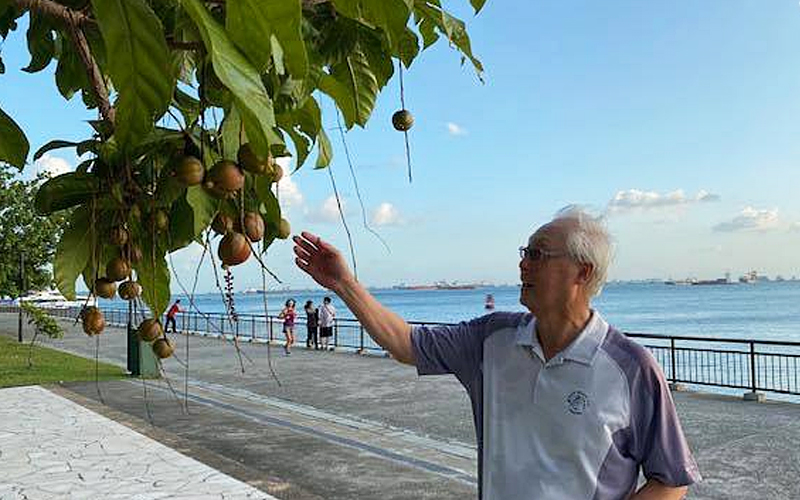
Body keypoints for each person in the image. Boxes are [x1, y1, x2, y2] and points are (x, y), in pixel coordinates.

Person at [292, 206, 701, 500]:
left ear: (583, 272)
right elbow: (404, 342)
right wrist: (344, 285)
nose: (523, 266)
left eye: (537, 254)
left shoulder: (630, 367)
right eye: (524, 254)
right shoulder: (491, 339)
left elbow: (671, 478)